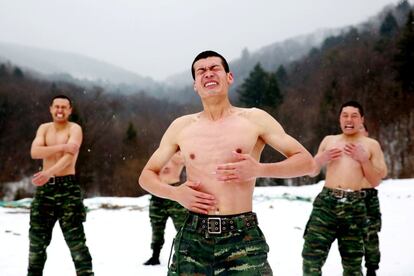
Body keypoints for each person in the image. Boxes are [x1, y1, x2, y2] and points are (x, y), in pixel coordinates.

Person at [139, 50, 315, 275]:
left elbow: (307, 163)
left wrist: (259, 169)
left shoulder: (254, 119)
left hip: (242, 237)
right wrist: (176, 194)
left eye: (214, 68)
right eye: (201, 71)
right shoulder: (181, 127)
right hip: (193, 237)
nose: (208, 74)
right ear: (195, 85)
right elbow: (146, 175)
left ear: (229, 77)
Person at [302, 101, 387, 276]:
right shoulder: (329, 140)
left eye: (354, 115)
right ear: (339, 118)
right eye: (345, 115)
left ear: (361, 119)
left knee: (353, 263)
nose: (349, 119)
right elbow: (312, 172)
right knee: (311, 257)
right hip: (327, 204)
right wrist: (320, 158)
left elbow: (375, 181)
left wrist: (364, 159)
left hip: (354, 206)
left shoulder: (371, 145)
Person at [28, 95, 93, 276]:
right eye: (57, 106)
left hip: (68, 189)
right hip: (45, 190)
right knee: (36, 243)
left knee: (76, 243)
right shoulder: (44, 128)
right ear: (50, 108)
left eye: (64, 107)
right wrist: (60, 147)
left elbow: (69, 157)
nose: (60, 110)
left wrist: (49, 172)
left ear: (70, 110)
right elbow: (35, 151)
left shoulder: (75, 129)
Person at [143, 151, 188, 266]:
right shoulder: (158, 156)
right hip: (157, 194)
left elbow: (193, 161)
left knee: (182, 228)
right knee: (156, 227)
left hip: (174, 194)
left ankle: (185, 255)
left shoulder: (179, 155)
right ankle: (155, 256)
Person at [359, 123, 382, 276]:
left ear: (367, 132)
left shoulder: (373, 150)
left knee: (370, 234)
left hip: (368, 196)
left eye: (361, 130)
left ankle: (371, 267)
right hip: (351, 196)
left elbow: (380, 173)